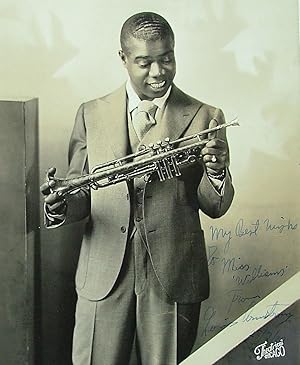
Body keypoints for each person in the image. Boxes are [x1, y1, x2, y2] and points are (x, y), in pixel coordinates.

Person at [41, 11, 234, 365]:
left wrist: (217, 173)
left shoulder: (207, 116)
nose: (158, 72)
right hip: (103, 273)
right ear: (123, 58)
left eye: (167, 59)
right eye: (145, 62)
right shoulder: (90, 114)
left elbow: (215, 205)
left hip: (173, 274)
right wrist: (61, 205)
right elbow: (80, 192)